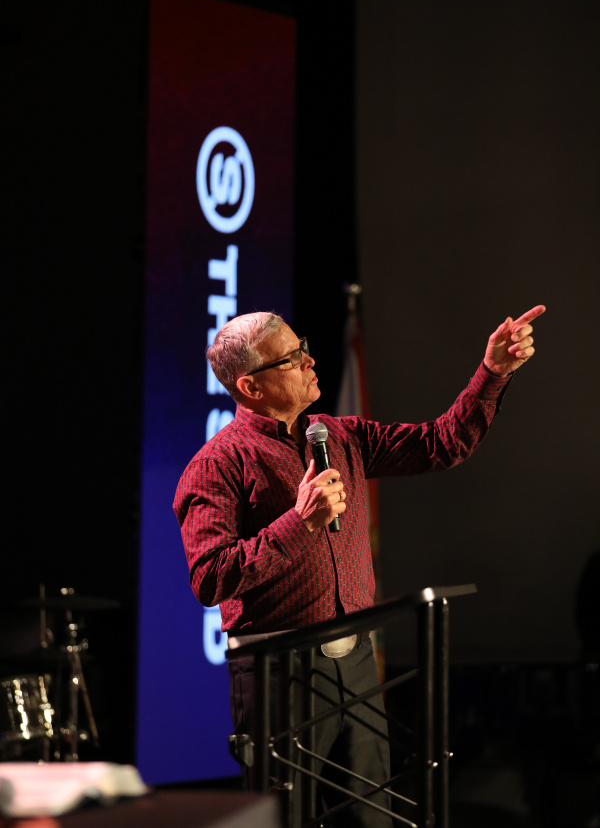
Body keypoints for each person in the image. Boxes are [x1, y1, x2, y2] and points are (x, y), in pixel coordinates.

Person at [173, 304, 545, 826]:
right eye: (291, 357)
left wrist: (492, 373)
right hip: (282, 670)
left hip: (357, 661)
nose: (310, 361)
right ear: (250, 387)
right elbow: (211, 578)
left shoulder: (336, 435)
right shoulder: (217, 463)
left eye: (303, 348)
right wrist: (300, 521)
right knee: (285, 816)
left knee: (371, 818)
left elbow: (441, 444)